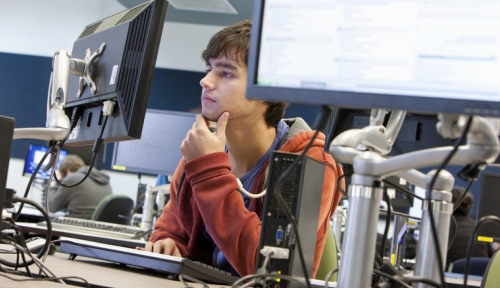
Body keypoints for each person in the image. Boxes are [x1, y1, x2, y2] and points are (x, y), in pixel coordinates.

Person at [142, 20, 344, 278]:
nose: (205, 81)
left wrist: (209, 171)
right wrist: (167, 243)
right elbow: (171, 229)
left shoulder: (310, 162)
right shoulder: (201, 155)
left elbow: (273, 273)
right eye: (209, 69)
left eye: (225, 73)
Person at [48, 154, 113, 219]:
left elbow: (50, 207)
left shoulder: (72, 178)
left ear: (68, 171)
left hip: (79, 224)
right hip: (100, 224)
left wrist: (59, 181)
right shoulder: (101, 178)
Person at [446, 186, 494, 270]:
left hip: (450, 278)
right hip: (481, 279)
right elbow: (491, 257)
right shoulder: (479, 227)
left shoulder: (444, 227)